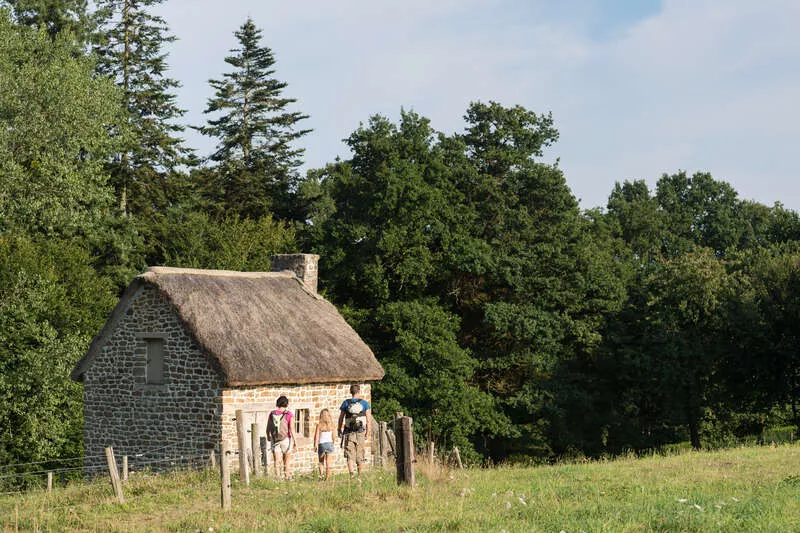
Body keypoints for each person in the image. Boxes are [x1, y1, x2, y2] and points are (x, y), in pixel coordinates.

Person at [338, 384, 371, 478]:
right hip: (361, 431)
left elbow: (341, 418)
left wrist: (339, 429)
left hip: (349, 432)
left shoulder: (345, 403)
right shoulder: (364, 403)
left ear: (350, 392)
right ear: (359, 391)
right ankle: (360, 475)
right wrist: (367, 432)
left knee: (349, 453)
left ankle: (351, 474)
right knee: (360, 453)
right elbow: (368, 419)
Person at [267, 395, 296, 480]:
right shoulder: (289, 414)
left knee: (277, 460)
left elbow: (268, 426)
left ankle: (278, 478)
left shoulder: (272, 414)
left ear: (278, 403)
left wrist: (268, 435)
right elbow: (292, 429)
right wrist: (295, 441)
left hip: (275, 438)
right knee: (286, 460)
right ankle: (287, 477)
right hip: (286, 439)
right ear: (286, 404)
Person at [313, 408, 335, 480]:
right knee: (328, 462)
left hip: (321, 444)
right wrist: (333, 443)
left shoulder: (319, 425)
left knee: (321, 461)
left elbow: (316, 436)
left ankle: (321, 476)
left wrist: (315, 445)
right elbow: (334, 436)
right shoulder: (332, 425)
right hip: (330, 443)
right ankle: (327, 478)